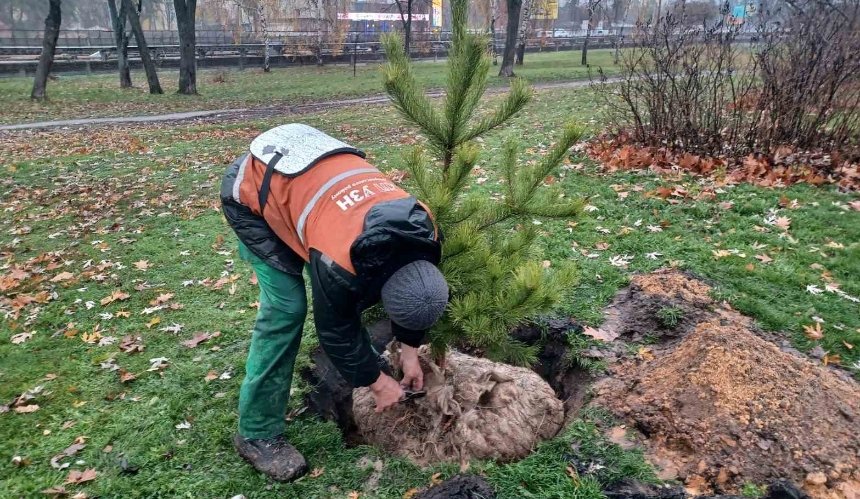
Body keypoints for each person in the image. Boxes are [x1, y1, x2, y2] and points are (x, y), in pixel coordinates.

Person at [220, 124, 448, 482]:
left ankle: (362, 363)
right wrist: (376, 383)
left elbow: (417, 294)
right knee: (287, 309)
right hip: (254, 185)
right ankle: (257, 433)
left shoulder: (427, 231)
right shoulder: (338, 259)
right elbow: (335, 329)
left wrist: (410, 352)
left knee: (340, 286)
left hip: (308, 176)